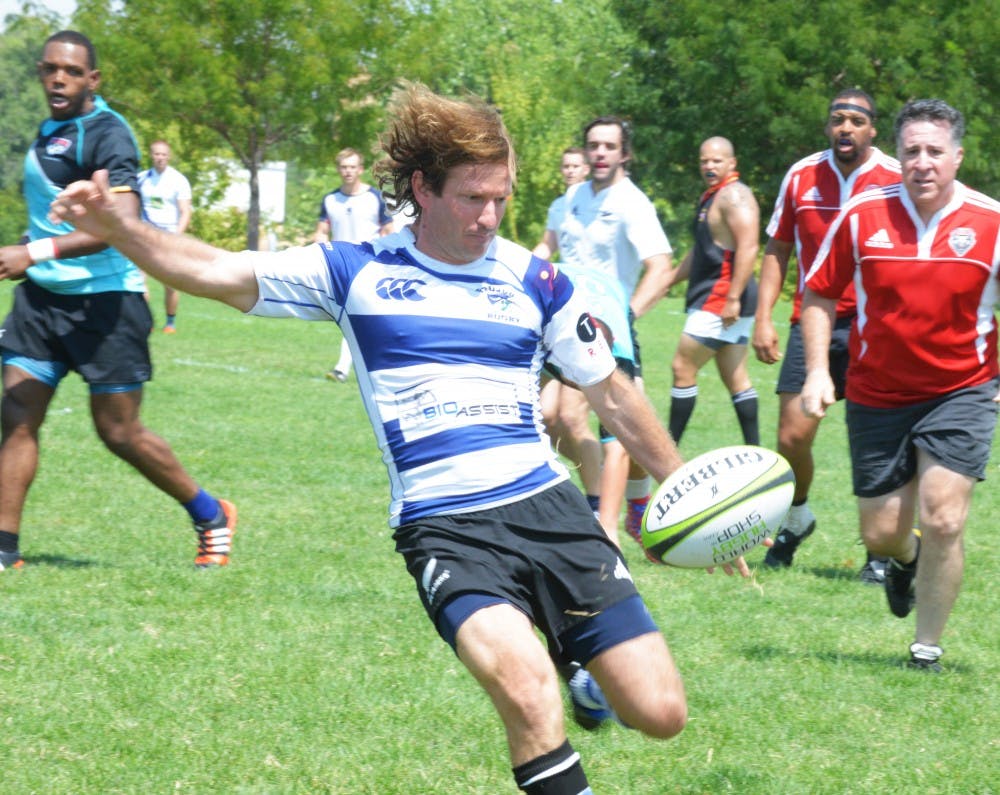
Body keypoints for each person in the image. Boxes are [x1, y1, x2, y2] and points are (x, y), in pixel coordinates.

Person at [50, 81, 759, 793]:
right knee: (527, 689)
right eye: (471, 197)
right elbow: (211, 270)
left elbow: (610, 390)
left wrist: (690, 488)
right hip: (446, 527)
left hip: (549, 510)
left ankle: (575, 654)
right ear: (423, 187)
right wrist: (120, 228)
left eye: (501, 198)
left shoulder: (535, 280)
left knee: (661, 712)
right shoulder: (356, 270)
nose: (488, 216)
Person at [0, 31, 235, 573]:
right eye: (49, 69)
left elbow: (122, 226)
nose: (58, 78)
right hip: (41, 301)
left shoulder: (108, 134)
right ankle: (5, 550)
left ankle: (210, 513)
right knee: (15, 416)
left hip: (106, 304)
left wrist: (32, 252)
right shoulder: (49, 129)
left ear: (93, 80)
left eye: (72, 71)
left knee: (120, 433)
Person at [800, 99, 1000, 672]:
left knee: (945, 516)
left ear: (958, 157)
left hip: (961, 389)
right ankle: (904, 560)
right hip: (878, 393)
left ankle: (926, 648)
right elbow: (818, 295)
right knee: (883, 533)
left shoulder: (990, 222)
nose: (922, 162)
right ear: (898, 156)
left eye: (935, 151)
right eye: (911, 150)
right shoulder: (864, 213)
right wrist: (818, 371)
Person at [752, 90, 901, 578]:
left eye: (856, 120)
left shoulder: (896, 179)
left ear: (872, 129)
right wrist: (763, 316)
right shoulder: (802, 175)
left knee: (873, 442)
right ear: (827, 126)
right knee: (791, 436)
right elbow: (778, 246)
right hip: (811, 321)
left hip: (874, 328)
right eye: (838, 118)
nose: (846, 127)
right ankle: (797, 518)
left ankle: (881, 551)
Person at [553, 117, 676, 545]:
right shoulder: (569, 200)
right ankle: (626, 495)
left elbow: (661, 269)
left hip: (612, 334)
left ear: (624, 154)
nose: (600, 153)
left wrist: (624, 318)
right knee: (553, 417)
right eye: (593, 145)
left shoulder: (632, 203)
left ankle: (607, 526)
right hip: (564, 327)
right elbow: (550, 254)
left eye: (609, 146)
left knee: (619, 426)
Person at [668, 137, 760, 448]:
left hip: (721, 298)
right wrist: (669, 280)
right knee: (735, 377)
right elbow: (700, 251)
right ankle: (756, 453)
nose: (709, 166)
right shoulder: (713, 196)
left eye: (717, 161)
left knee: (682, 367)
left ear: (732, 164)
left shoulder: (735, 195)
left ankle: (668, 451)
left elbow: (749, 246)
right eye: (705, 160)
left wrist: (732, 298)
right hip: (722, 298)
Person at [532, 147, 602, 517]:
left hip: (592, 315)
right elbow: (549, 244)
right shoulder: (560, 206)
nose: (571, 170)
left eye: (577, 165)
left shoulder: (599, 206)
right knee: (546, 415)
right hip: (558, 312)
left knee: (574, 417)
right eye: (566, 166)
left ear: (587, 169)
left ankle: (595, 504)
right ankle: (596, 474)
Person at [314, 147, 393, 382]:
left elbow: (388, 230)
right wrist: (321, 250)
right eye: (343, 167)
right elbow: (321, 231)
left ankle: (342, 369)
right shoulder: (330, 199)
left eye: (352, 167)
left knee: (358, 317)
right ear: (339, 169)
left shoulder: (375, 198)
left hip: (370, 264)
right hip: (342, 267)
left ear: (360, 169)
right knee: (359, 318)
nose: (348, 171)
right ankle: (364, 367)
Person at [137, 139, 193, 333]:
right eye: (156, 154)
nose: (160, 158)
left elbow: (185, 211)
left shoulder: (178, 180)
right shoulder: (141, 178)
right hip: (145, 236)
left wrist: (177, 236)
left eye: (163, 154)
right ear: (151, 155)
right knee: (139, 280)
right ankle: (147, 322)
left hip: (169, 236)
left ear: (169, 156)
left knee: (169, 283)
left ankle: (170, 323)